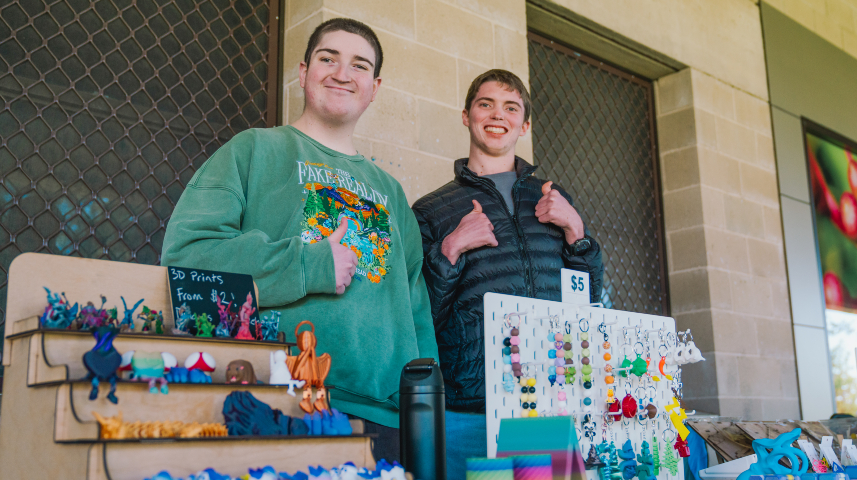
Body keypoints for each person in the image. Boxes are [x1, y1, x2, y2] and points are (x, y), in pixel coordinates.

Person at [160, 18, 438, 460]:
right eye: (329, 58)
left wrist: (423, 407)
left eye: (359, 65)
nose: (342, 73)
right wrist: (310, 265)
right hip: (272, 403)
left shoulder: (391, 191)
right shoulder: (253, 150)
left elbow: (416, 311)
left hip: (385, 422)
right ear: (304, 70)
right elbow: (188, 256)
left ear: (375, 86)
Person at [412, 69, 604, 479]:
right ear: (466, 115)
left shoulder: (553, 199)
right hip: (470, 408)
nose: (497, 115)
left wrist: (577, 233)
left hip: (548, 403)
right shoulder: (432, 210)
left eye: (511, 107)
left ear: (525, 124)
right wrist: (451, 249)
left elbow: (587, 302)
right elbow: (421, 314)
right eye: (486, 104)